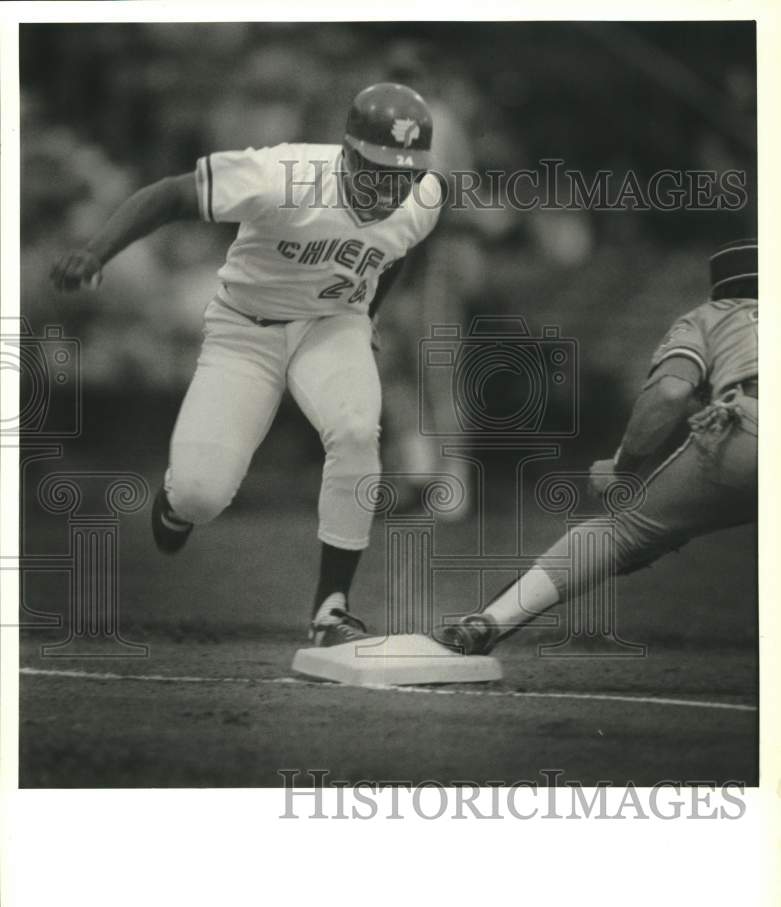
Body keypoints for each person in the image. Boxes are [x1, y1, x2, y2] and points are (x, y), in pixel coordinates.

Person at [51, 82, 442, 647]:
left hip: (333, 324)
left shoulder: (423, 197)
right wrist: (96, 252)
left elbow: (397, 251)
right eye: (380, 169)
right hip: (245, 329)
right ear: (349, 152)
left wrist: (370, 314)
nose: (393, 186)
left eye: (405, 173)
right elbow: (170, 195)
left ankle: (332, 607)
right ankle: (178, 503)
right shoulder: (283, 176)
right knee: (201, 494)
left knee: (357, 430)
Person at [434, 238, 758, 655]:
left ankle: (487, 624)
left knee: (621, 532)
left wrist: (624, 467)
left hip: (749, 431)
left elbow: (671, 393)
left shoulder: (713, 315)